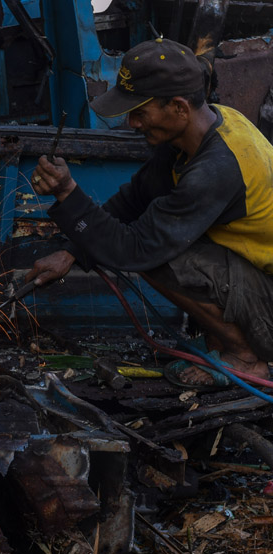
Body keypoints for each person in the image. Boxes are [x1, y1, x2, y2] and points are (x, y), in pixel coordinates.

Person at [26, 37, 273, 386]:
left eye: (140, 112)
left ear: (179, 107)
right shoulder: (203, 128)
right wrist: (71, 252)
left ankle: (246, 358)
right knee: (160, 238)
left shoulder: (216, 169)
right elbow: (135, 199)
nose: (132, 123)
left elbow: (135, 250)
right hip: (256, 277)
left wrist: (67, 192)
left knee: (160, 258)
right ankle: (221, 341)